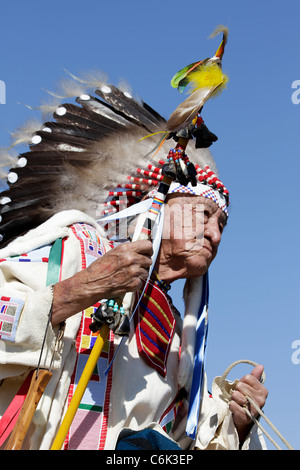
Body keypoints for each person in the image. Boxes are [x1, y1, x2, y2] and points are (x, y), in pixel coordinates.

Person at [0, 79, 268, 450]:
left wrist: (236, 424)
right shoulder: (74, 248)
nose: (215, 235)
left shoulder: (180, 336)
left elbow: (182, 438)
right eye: (203, 215)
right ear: (156, 210)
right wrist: (77, 290)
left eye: (222, 225)